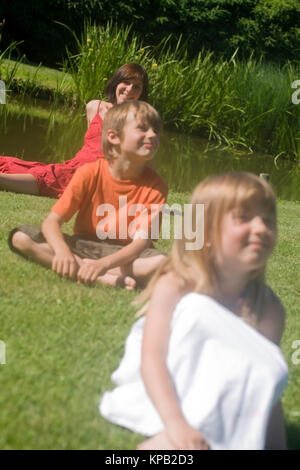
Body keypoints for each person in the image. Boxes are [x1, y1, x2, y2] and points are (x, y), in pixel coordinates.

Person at [100, 172, 289, 450]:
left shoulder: (269, 309)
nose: (261, 227)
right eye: (244, 217)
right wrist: (176, 424)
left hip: (223, 392)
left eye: (268, 220)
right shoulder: (177, 286)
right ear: (207, 231)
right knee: (198, 310)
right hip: (164, 383)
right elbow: (153, 358)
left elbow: (261, 382)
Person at [8, 100, 167, 290]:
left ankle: (87, 270)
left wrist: (104, 264)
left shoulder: (157, 186)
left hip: (125, 255)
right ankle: (101, 277)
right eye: (142, 128)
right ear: (113, 136)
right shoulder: (89, 172)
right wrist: (62, 251)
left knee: (163, 263)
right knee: (20, 237)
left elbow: (142, 242)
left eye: (155, 131)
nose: (152, 135)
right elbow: (51, 223)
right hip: (83, 246)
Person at [0, 63, 149, 197]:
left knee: (55, 176)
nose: (130, 90)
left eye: (136, 86)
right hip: (76, 165)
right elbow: (90, 145)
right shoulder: (94, 107)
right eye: (126, 82)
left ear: (142, 93)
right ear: (116, 83)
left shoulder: (139, 121)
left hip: (101, 175)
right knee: (21, 166)